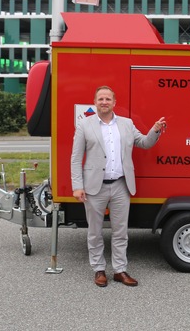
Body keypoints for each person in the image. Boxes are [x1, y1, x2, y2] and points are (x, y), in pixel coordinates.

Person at [71, 86, 166, 287]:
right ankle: (98, 269)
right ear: (95, 102)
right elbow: (76, 157)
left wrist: (154, 130)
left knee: (120, 232)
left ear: (114, 103)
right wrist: (77, 186)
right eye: (100, 99)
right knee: (95, 232)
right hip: (94, 187)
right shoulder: (85, 125)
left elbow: (144, 143)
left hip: (121, 186)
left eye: (108, 99)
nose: (104, 102)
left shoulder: (126, 124)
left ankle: (119, 270)